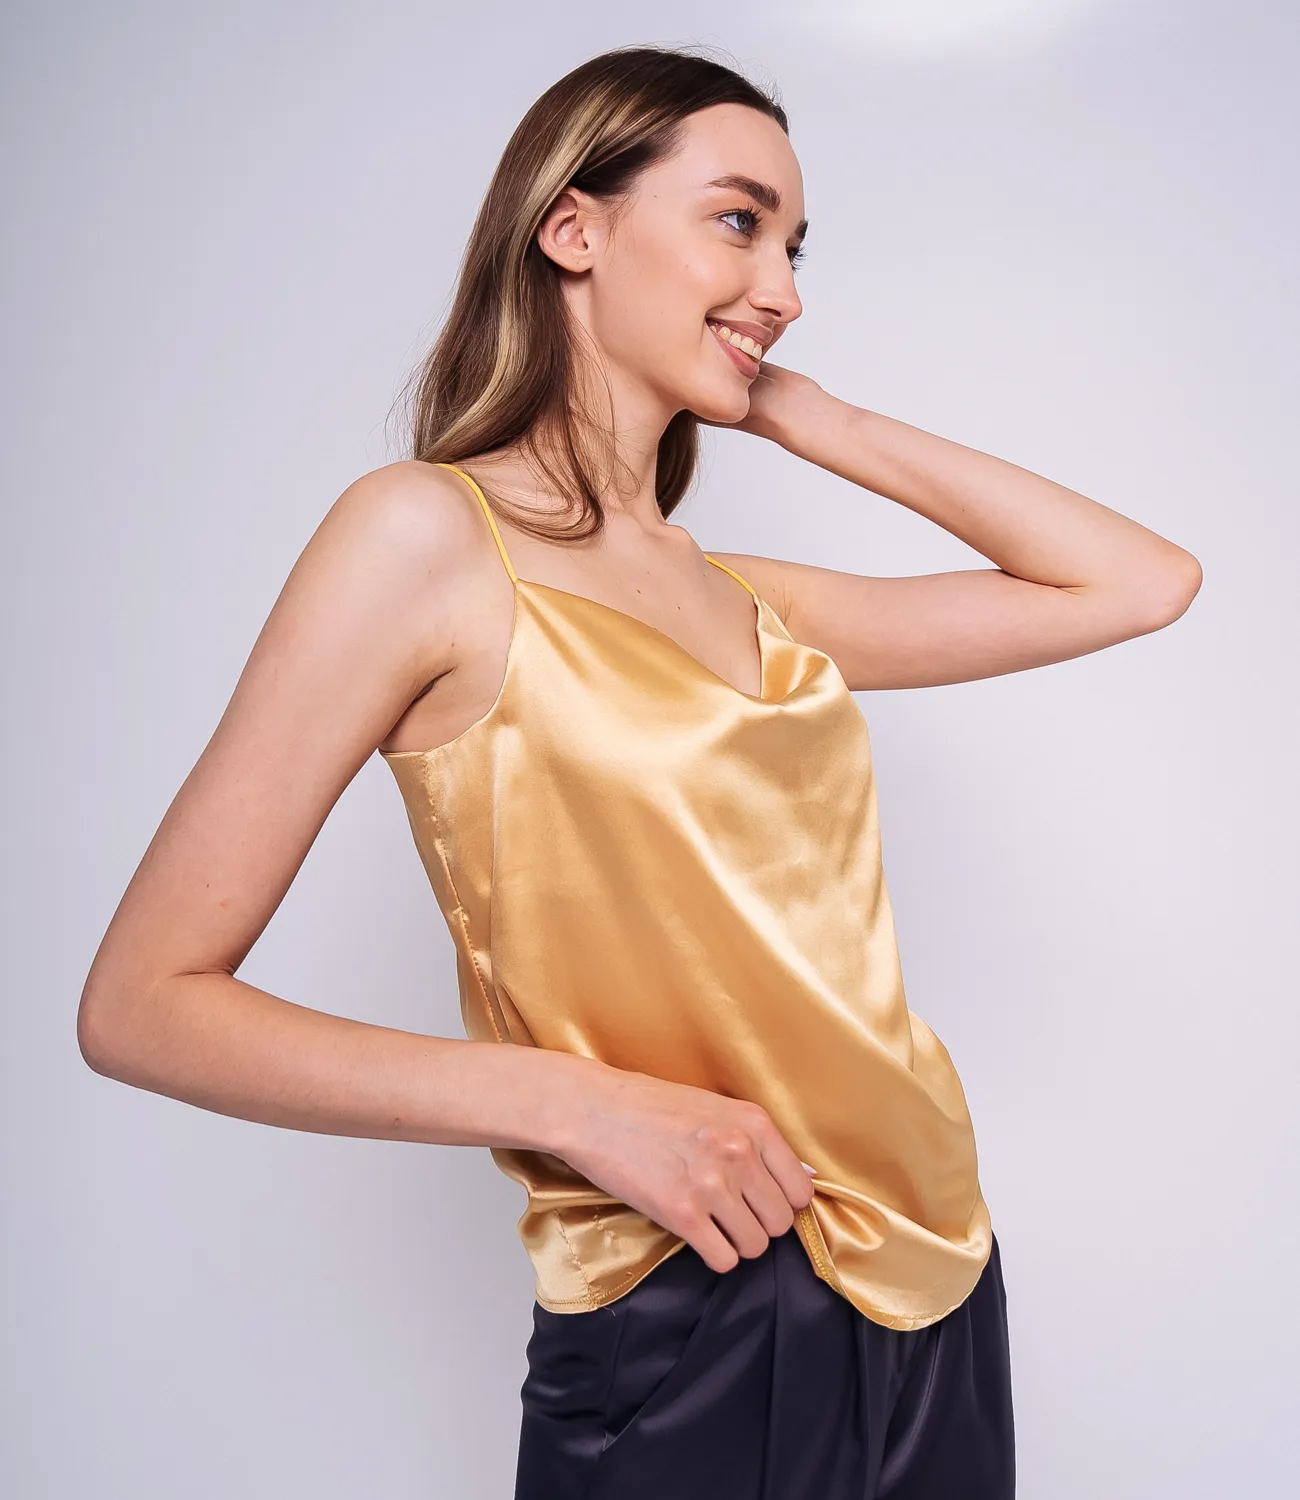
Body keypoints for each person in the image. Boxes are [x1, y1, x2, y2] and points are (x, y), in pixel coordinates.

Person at [77, 43, 1201, 1500]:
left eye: (797, 248)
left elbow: (1140, 582)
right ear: (574, 229)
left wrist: (805, 411)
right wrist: (573, 1104)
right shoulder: (422, 538)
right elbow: (143, 1005)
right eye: (739, 222)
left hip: (934, 1278)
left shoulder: (748, 596)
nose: (782, 285)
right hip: (686, 1302)